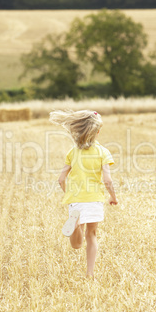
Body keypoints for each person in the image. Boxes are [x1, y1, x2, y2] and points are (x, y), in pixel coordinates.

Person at [49, 110, 118, 279]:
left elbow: (61, 179)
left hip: (76, 199)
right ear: (97, 132)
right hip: (94, 198)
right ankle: (90, 273)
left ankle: (75, 222)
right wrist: (113, 197)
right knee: (91, 235)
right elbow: (108, 180)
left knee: (76, 245)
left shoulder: (72, 152)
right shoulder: (103, 152)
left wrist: (69, 194)